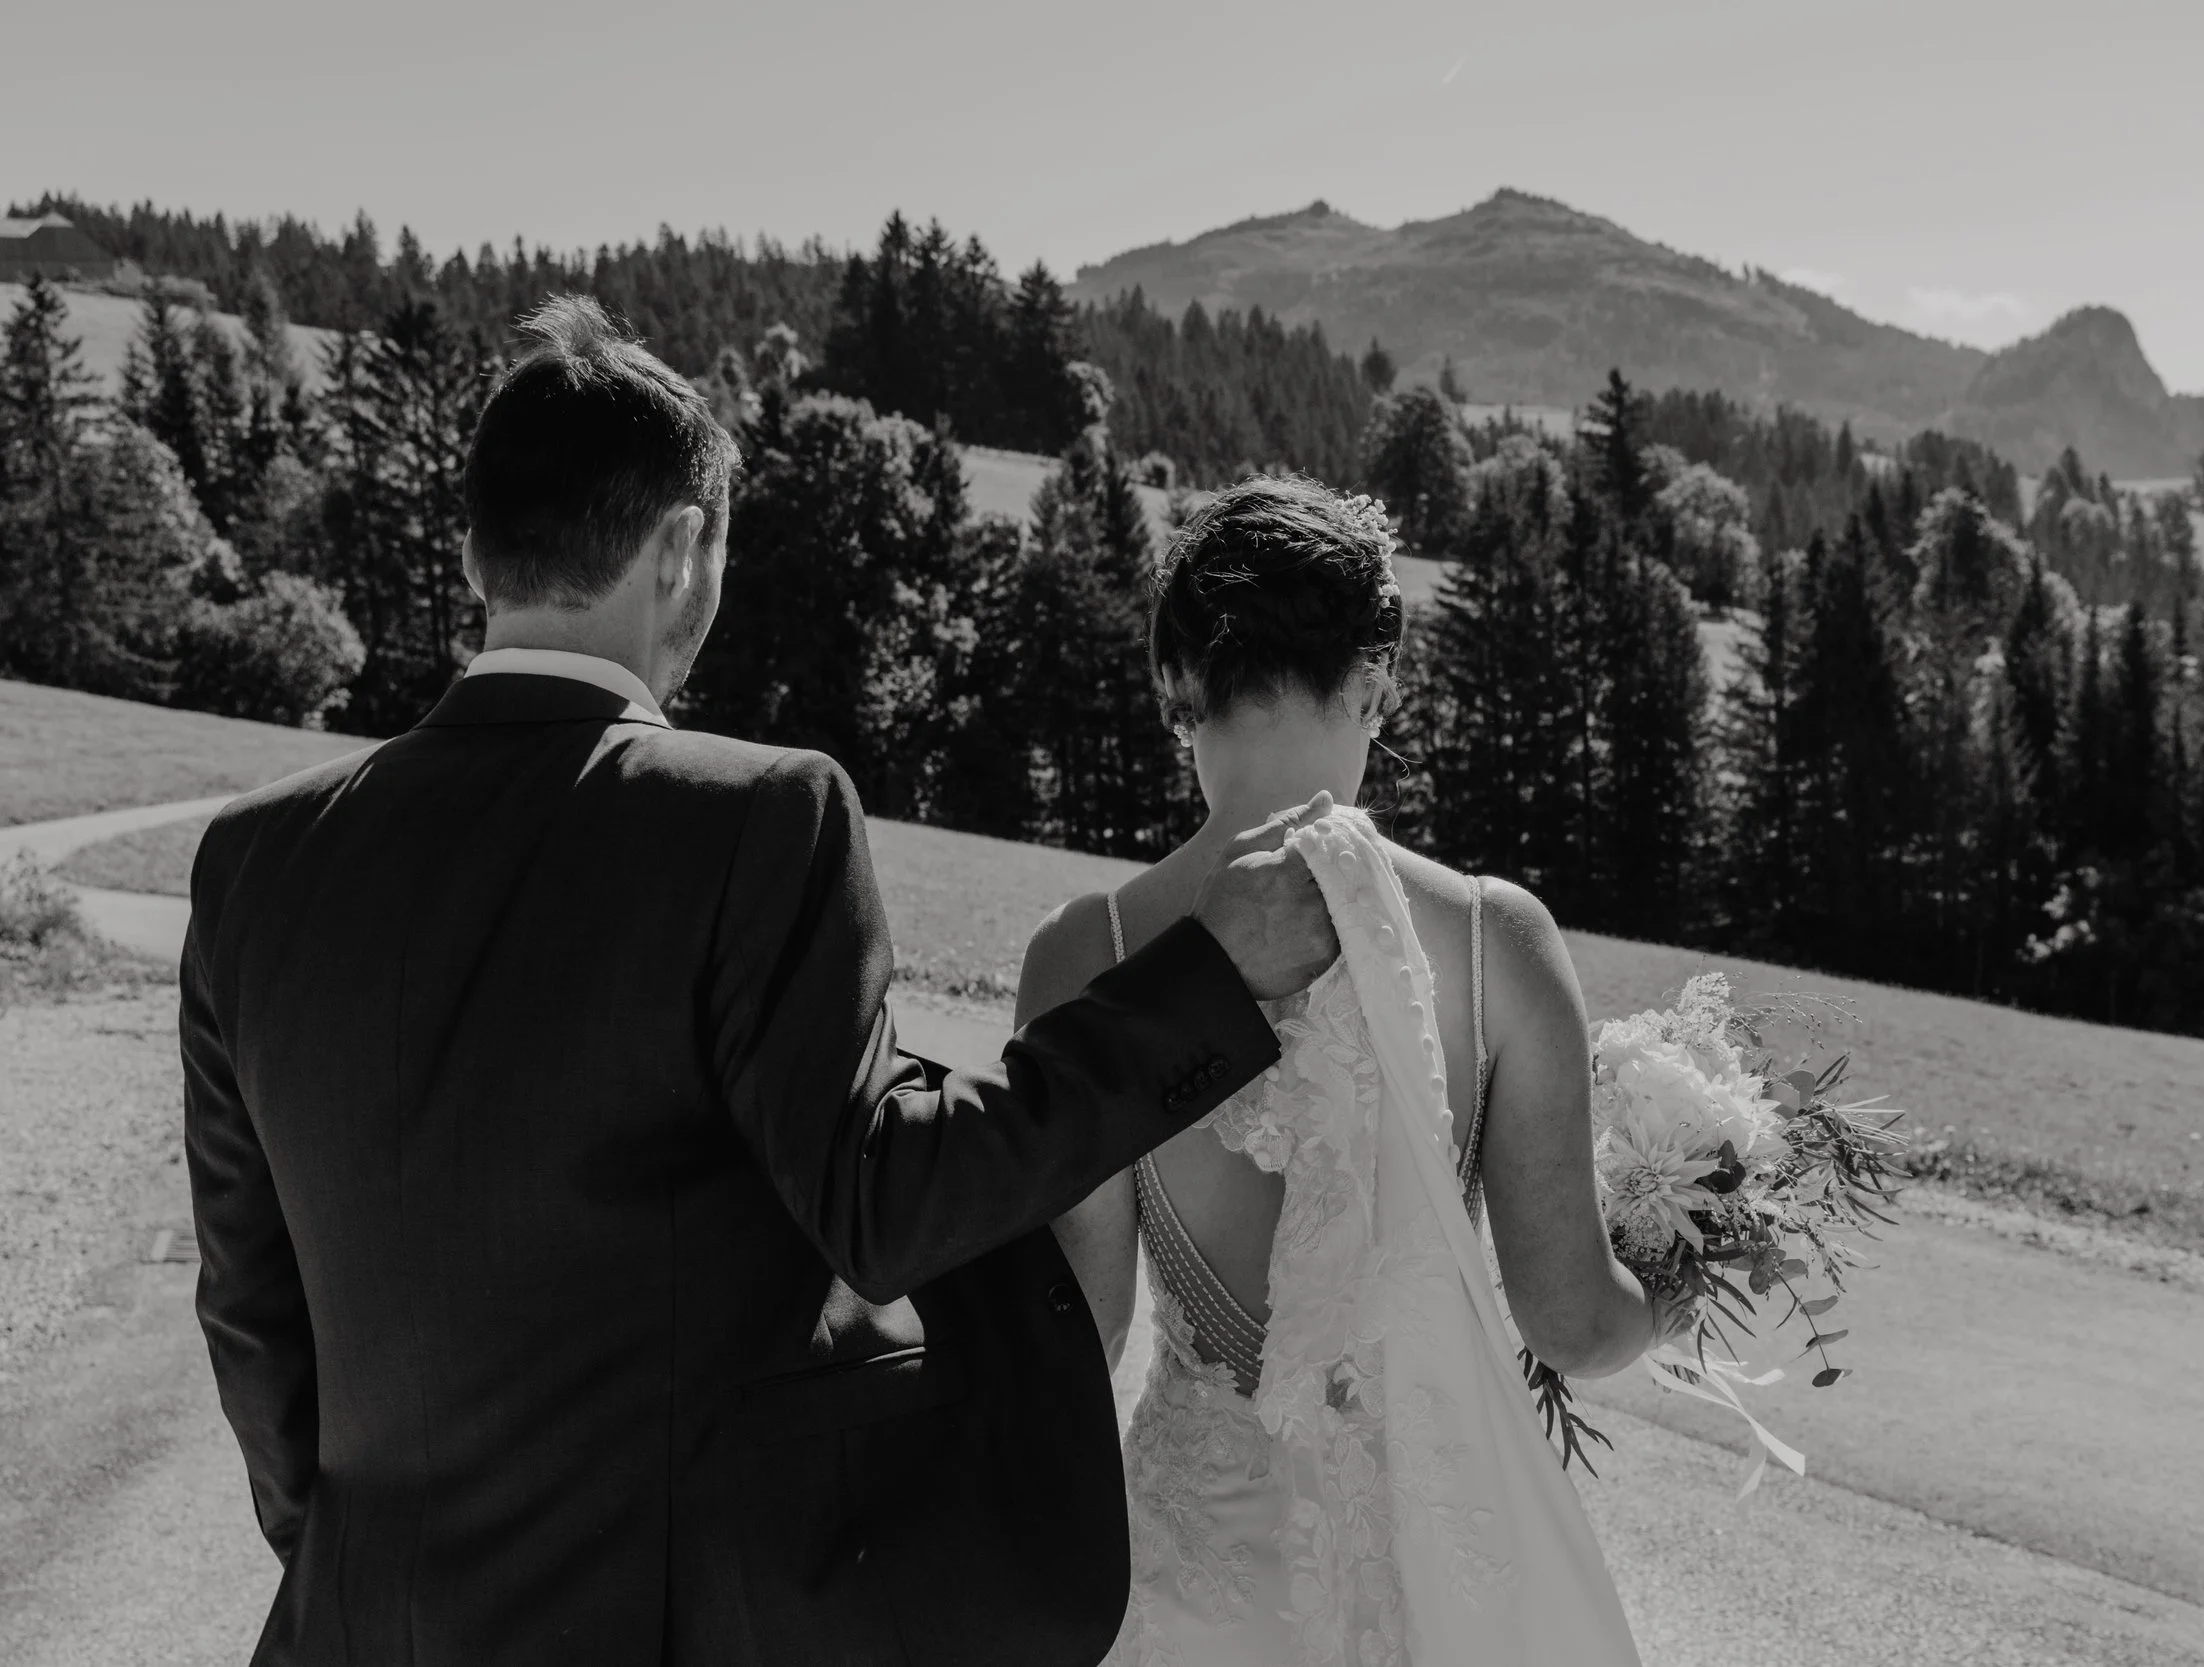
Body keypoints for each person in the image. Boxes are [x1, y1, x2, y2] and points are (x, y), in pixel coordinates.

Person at [179, 297, 1340, 1667]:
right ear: (681, 548)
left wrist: (350, 1561)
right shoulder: (754, 817)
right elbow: (883, 1200)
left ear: (479, 550)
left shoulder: (253, 861)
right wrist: (1206, 982)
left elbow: (250, 1311)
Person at [1018, 478, 1656, 1666]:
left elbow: (1080, 1335)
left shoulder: (1086, 951)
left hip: (1187, 1576)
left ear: (1176, 687)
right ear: (1377, 682)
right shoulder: (1495, 944)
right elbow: (1572, 1319)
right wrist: (1675, 1271)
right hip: (1427, 1577)